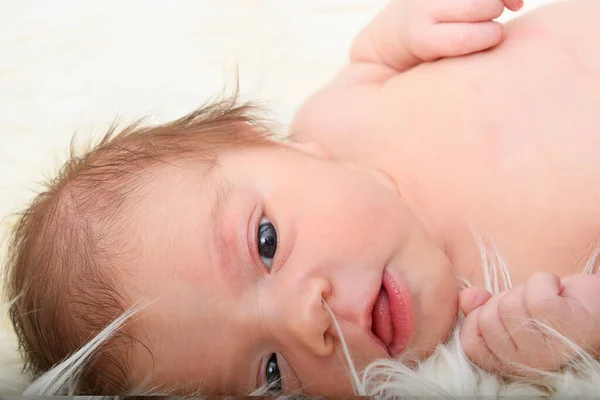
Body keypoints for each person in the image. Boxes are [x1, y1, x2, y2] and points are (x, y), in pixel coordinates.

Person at [5, 0, 600, 396]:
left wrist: (408, 24)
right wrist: (571, 328)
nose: (305, 320)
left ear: (273, 144)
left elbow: (374, 56)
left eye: (266, 244)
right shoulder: (492, 324)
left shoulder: (337, 117)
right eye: (271, 375)